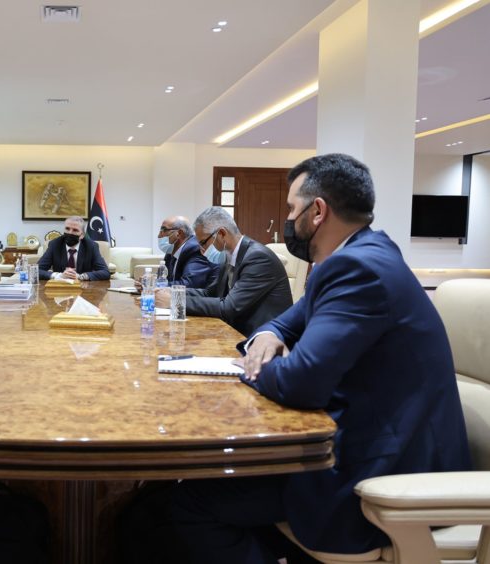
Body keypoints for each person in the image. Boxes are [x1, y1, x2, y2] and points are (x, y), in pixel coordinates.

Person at [123, 153, 471, 563]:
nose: (287, 218)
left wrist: (255, 366)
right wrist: (268, 335)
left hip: (374, 469)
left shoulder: (360, 268)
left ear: (318, 211)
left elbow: (301, 382)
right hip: (352, 440)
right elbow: (286, 323)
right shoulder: (356, 256)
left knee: (184, 507)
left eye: (291, 208)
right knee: (159, 499)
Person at [157, 207, 292, 337]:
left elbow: (229, 307)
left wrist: (175, 301)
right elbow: (210, 292)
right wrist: (174, 292)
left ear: (221, 234)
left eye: (203, 243)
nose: (200, 249)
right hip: (234, 331)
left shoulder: (258, 258)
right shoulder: (228, 255)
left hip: (260, 339)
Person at [38, 216, 111, 281]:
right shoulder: (55, 244)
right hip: (60, 288)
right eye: (67, 229)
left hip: (84, 289)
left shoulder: (91, 246)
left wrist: (81, 276)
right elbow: (36, 270)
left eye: (75, 230)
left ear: (82, 235)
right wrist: (58, 275)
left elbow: (105, 272)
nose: (70, 233)